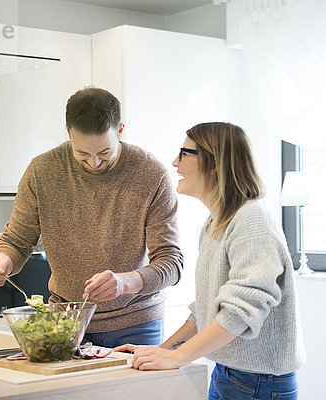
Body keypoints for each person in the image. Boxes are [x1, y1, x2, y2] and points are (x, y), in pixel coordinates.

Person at [115, 122, 305, 399]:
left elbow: (239, 312)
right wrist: (165, 349)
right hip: (229, 375)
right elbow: (205, 312)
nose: (175, 162)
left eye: (184, 154)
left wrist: (177, 357)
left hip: (258, 384)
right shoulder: (216, 223)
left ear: (214, 163)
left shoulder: (251, 220)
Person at [0, 87, 184, 347]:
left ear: (120, 130)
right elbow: (18, 241)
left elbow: (171, 262)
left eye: (104, 153)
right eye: (82, 154)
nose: (93, 164)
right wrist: (3, 261)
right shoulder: (42, 171)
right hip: (65, 323)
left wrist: (125, 282)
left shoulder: (151, 174)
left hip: (136, 324)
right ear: (68, 130)